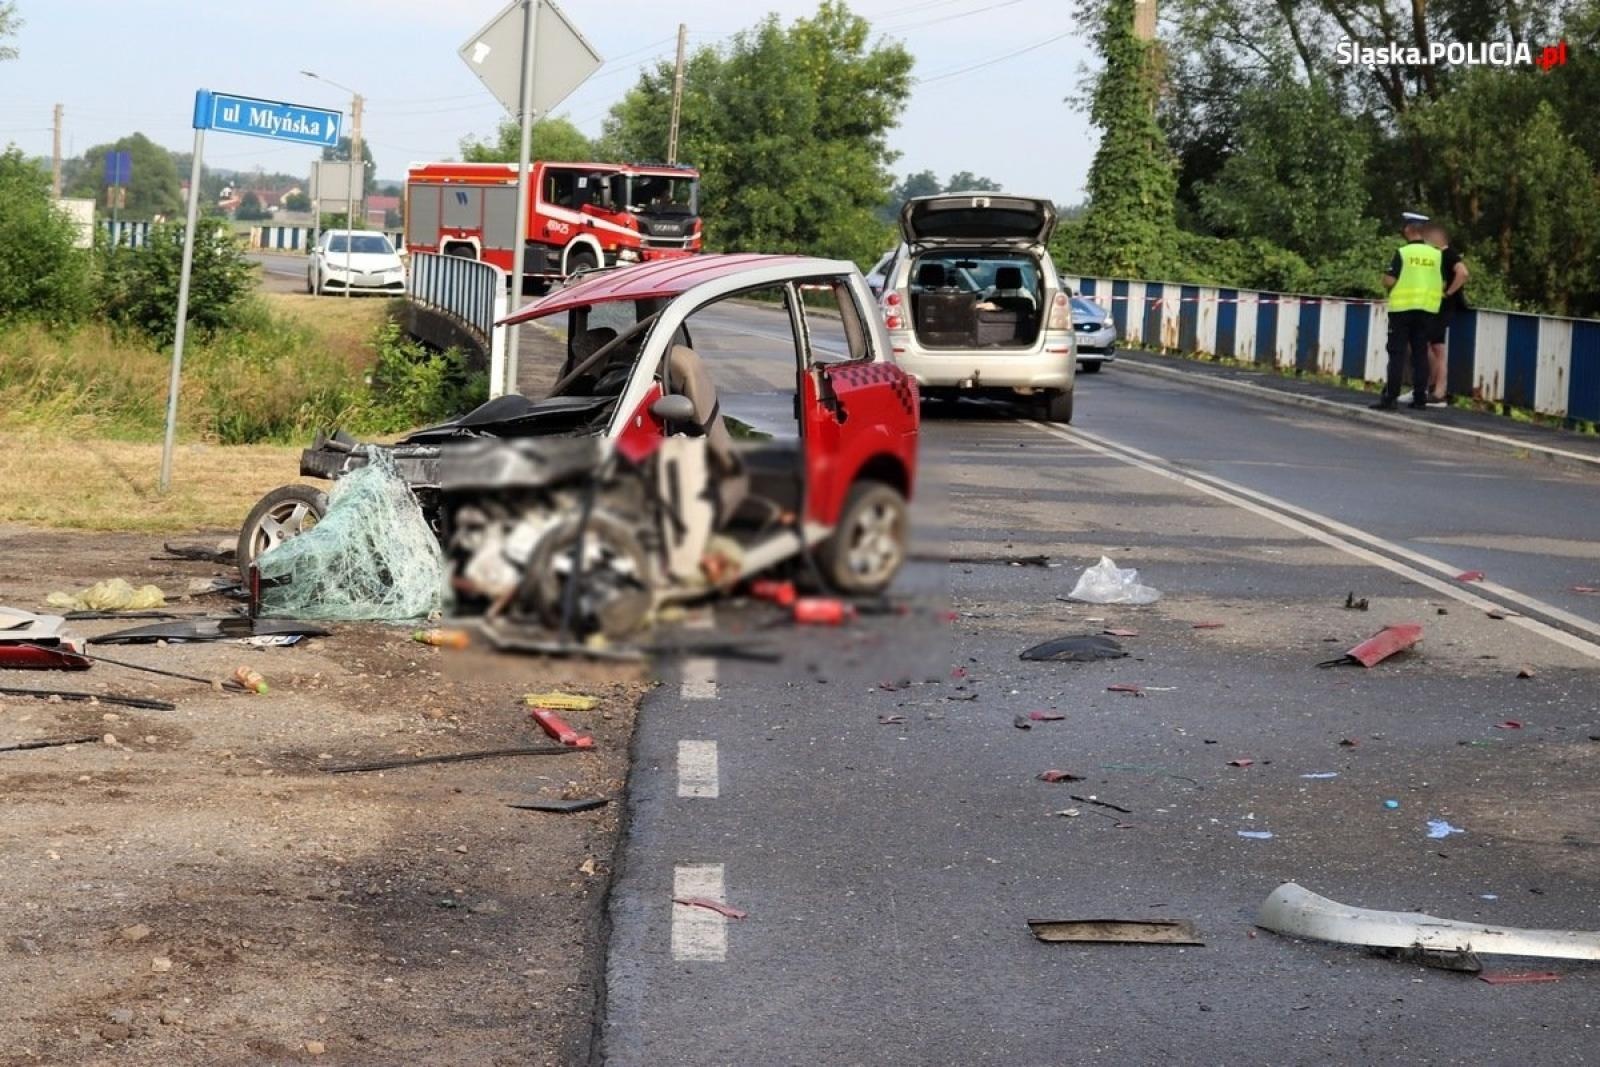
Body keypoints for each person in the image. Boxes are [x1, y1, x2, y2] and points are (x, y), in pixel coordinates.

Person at [1374, 212, 1444, 411]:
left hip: (1402, 309)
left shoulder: (1403, 253)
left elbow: (1390, 280)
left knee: (1396, 353)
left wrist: (1385, 281)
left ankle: (1390, 397)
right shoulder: (1436, 254)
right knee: (1420, 354)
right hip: (1427, 310)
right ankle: (1420, 398)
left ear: (1408, 230)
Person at [1423, 222, 1468, 403]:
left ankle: (1439, 390)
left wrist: (1448, 293)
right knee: (1433, 346)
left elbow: (1463, 273)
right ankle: (1433, 387)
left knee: (1435, 348)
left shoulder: (1449, 254)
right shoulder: (1439, 255)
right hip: (1437, 306)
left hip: (1443, 306)